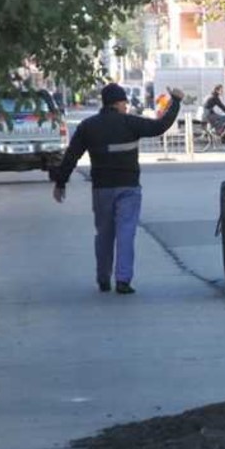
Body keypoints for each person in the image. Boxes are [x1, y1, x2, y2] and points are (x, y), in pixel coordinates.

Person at [52, 83, 184, 294]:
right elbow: (160, 126)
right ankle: (123, 280)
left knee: (104, 234)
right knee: (126, 233)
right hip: (129, 188)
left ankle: (103, 278)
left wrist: (61, 182)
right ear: (119, 102)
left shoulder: (88, 126)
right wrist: (175, 102)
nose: (126, 106)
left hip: (102, 189)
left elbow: (71, 156)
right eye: (124, 103)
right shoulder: (130, 123)